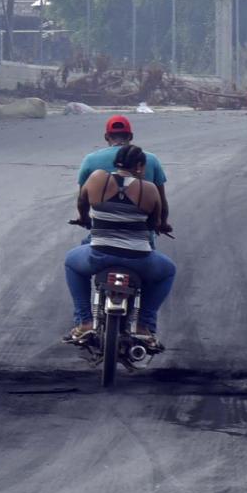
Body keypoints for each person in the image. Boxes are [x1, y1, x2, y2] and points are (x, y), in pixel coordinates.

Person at [65, 143, 176, 348]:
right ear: (140, 166)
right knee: (168, 271)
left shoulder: (97, 178)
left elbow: (82, 203)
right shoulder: (149, 190)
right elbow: (154, 223)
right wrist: (162, 225)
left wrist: (83, 218)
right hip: (139, 259)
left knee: (71, 263)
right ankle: (144, 325)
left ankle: (85, 321)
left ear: (117, 162)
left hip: (98, 255)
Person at [76, 115, 169, 231]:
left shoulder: (90, 160)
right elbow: (161, 203)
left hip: (101, 234)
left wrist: (84, 218)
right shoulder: (150, 159)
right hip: (140, 237)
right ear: (130, 136)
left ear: (106, 137)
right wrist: (163, 224)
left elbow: (82, 200)